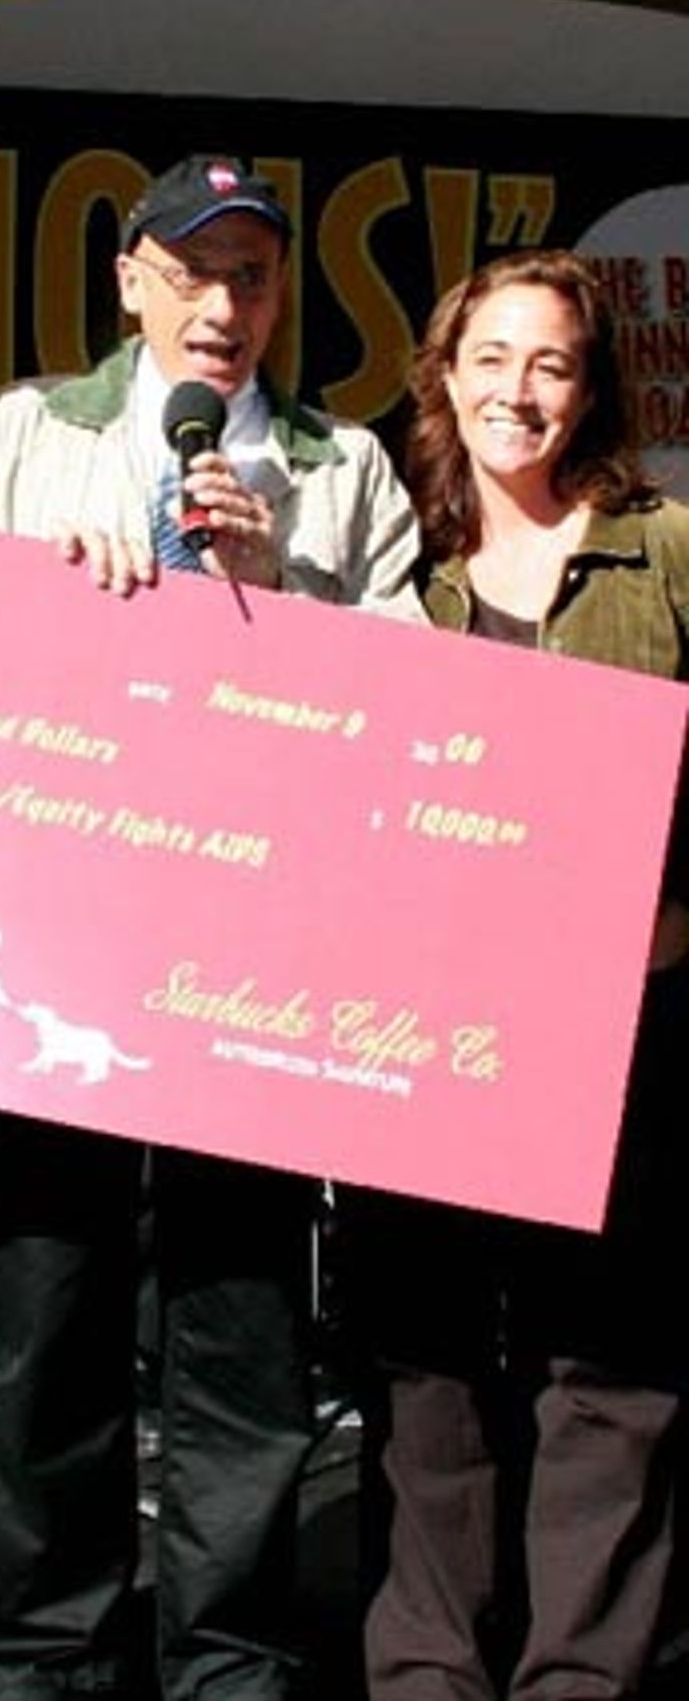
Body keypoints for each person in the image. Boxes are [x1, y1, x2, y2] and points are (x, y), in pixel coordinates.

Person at [0, 152, 423, 1699]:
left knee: (244, 1347)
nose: (225, 305)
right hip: (59, 961)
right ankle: (43, 1657)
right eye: (193, 271)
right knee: (46, 1334)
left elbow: (408, 710)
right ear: (130, 279)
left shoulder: (345, 472)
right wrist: (44, 604)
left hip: (254, 982)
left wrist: (291, 606)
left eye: (254, 276)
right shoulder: (13, 440)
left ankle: (227, 1661)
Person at [348, 248, 689, 1701]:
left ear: (592, 384)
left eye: (551, 363)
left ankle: (582, 1679)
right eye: (491, 359)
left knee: (605, 1382)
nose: (519, 391)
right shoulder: (386, 567)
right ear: (443, 375)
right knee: (427, 1369)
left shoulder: (669, 548)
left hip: (631, 1034)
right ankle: (428, 1671)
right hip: (417, 1037)